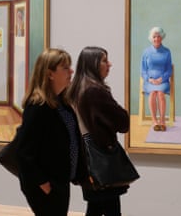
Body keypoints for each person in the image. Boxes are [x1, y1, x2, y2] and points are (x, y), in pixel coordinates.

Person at [16, 48, 82, 216]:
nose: (71, 71)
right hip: (46, 184)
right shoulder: (38, 107)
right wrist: (42, 183)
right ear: (50, 74)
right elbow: (24, 152)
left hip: (60, 180)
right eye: (65, 68)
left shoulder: (63, 103)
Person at [67, 46, 131, 216]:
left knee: (97, 206)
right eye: (104, 60)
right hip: (99, 158)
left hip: (85, 157)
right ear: (92, 64)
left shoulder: (76, 88)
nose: (109, 64)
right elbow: (123, 122)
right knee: (109, 208)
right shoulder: (94, 91)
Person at [141, 27, 173, 131]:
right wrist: (149, 79)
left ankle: (162, 121)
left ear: (162, 37)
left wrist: (161, 79)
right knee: (152, 93)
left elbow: (169, 70)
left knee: (160, 93)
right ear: (151, 38)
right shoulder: (146, 52)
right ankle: (155, 121)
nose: (156, 39)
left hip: (162, 80)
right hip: (149, 81)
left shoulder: (167, 52)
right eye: (154, 37)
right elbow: (143, 70)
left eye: (158, 36)